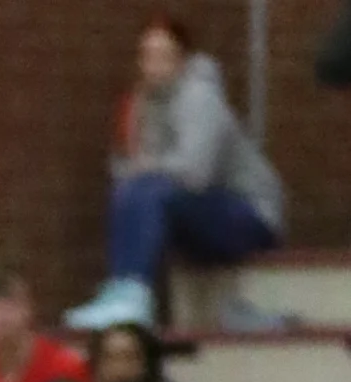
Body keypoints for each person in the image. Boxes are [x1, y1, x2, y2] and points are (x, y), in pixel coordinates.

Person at [67, 13, 284, 331]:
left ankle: (134, 292)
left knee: (151, 189)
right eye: (147, 56)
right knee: (132, 192)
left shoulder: (200, 97)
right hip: (192, 212)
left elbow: (195, 173)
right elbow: (126, 168)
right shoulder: (142, 104)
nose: (154, 65)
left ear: (182, 60)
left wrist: (145, 169)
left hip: (250, 214)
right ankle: (124, 287)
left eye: (163, 56)